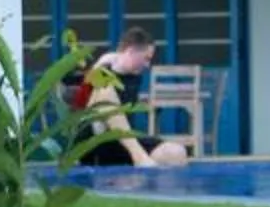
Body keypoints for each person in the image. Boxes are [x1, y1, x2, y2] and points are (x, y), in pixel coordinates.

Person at [75, 25, 190, 168]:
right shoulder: (103, 69)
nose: (147, 65)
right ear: (130, 51)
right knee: (105, 91)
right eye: (146, 58)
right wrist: (99, 65)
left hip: (121, 143)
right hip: (94, 144)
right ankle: (139, 157)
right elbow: (81, 102)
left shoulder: (135, 76)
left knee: (176, 153)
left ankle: (150, 181)